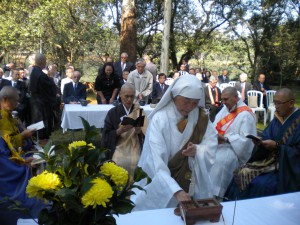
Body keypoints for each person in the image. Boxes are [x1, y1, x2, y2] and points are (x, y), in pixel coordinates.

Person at [131, 75, 218, 211]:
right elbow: (155, 161)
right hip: (163, 181)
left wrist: (198, 150)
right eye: (186, 101)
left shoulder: (201, 117)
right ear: (175, 95)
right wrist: (175, 190)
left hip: (191, 181)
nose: (190, 107)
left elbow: (211, 143)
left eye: (195, 103)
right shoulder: (160, 119)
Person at [226, 88, 300, 200]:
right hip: (268, 161)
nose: (276, 106)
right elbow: (267, 135)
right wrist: (261, 142)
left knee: (262, 184)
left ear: (291, 103)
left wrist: (277, 146)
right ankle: (236, 206)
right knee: (241, 172)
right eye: (274, 102)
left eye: (279, 103)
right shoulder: (278, 118)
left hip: (286, 168)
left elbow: (297, 153)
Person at [209, 87, 256, 198]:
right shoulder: (225, 109)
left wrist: (226, 138)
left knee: (220, 162)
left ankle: (217, 195)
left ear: (235, 98)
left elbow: (247, 141)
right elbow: (215, 126)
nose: (223, 102)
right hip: (218, 144)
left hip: (233, 149)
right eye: (222, 100)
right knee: (201, 154)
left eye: (226, 99)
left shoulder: (245, 115)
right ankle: (204, 191)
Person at [101, 83, 148, 180]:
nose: (129, 99)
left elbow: (148, 134)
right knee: (119, 161)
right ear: (121, 95)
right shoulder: (113, 112)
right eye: (126, 96)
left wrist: (139, 131)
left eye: (132, 96)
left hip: (135, 144)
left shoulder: (139, 111)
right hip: (119, 144)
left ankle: (135, 188)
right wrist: (118, 131)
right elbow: (105, 136)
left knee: (137, 160)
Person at [29, 54, 57, 140]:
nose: (46, 63)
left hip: (35, 103)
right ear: (41, 61)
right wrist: (51, 77)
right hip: (42, 105)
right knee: (42, 126)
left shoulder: (34, 71)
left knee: (38, 123)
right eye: (45, 61)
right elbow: (51, 88)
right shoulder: (40, 74)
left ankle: (38, 139)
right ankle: (43, 142)